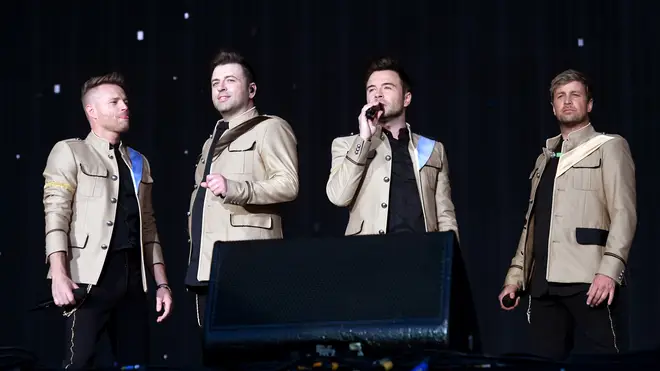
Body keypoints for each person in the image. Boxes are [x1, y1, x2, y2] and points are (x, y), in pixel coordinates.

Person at [498, 69, 636, 360]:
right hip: (544, 284)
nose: (567, 101)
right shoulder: (545, 157)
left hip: (589, 278)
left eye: (575, 95)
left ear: (589, 104)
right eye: (560, 96)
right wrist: (515, 277)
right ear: (553, 107)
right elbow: (531, 224)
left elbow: (624, 213)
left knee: (609, 360)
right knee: (544, 362)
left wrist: (609, 271)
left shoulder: (609, 147)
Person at [42, 72, 173, 369]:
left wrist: (162, 284)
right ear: (92, 111)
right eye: (114, 102)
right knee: (80, 361)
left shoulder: (139, 161)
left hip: (132, 281)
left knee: (135, 362)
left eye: (125, 101)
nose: (124, 106)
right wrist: (59, 273)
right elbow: (56, 215)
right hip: (88, 277)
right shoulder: (70, 151)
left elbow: (149, 227)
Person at [185, 49, 299, 328]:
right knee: (212, 353)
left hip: (249, 263)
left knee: (251, 352)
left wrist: (235, 187)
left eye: (230, 81)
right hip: (207, 264)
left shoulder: (270, 128)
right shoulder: (210, 140)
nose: (221, 87)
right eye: (215, 83)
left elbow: (289, 185)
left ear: (251, 89)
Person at [325, 56, 459, 239]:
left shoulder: (432, 149)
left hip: (422, 256)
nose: (378, 94)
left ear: (406, 99)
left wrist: (451, 260)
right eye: (371, 89)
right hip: (370, 256)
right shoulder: (347, 145)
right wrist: (364, 138)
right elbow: (338, 197)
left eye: (387, 87)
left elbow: (445, 216)